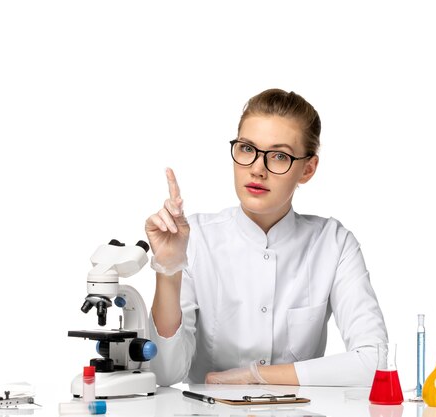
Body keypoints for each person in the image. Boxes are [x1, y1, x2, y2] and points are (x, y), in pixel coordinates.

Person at [145, 88, 388, 387]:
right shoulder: (196, 238)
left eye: (279, 156)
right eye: (247, 149)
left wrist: (256, 376)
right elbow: (165, 374)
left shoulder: (334, 244)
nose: (258, 169)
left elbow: (373, 362)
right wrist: (169, 268)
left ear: (307, 169)